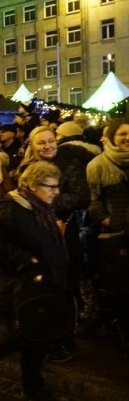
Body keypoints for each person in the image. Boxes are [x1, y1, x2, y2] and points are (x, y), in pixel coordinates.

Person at [0, 161, 68, 401]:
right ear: (31, 185)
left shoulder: (39, 208)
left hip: (38, 284)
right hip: (16, 286)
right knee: (18, 335)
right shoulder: (10, 208)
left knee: (34, 336)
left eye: (57, 186)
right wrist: (26, 259)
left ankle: (32, 386)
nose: (55, 192)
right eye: (51, 187)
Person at [19, 125, 95, 362]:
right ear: (33, 146)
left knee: (65, 286)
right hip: (38, 231)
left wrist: (47, 201)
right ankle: (48, 336)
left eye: (50, 140)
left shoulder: (70, 160)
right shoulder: (28, 167)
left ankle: (65, 341)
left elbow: (82, 197)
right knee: (44, 286)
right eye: (41, 142)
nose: (47, 146)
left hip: (64, 229)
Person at [85, 117, 129, 358]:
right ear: (111, 136)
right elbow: (93, 200)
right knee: (122, 290)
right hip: (116, 236)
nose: (127, 138)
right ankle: (125, 335)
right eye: (122, 134)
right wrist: (107, 221)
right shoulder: (98, 165)